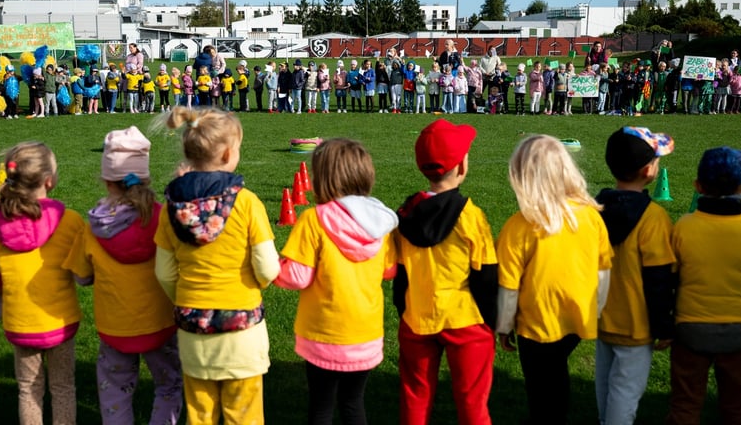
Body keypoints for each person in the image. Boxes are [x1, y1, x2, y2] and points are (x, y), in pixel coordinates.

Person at [154, 107, 280, 424]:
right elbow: (267, 268)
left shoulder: (170, 208)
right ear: (226, 154)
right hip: (242, 329)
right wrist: (254, 285)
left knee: (200, 414)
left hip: (193, 330)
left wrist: (186, 298)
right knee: (244, 415)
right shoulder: (248, 203)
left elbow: (164, 273)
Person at [275, 138, 398, 425]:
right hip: (365, 334)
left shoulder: (314, 220)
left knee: (321, 407)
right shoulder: (380, 223)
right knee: (353, 404)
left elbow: (297, 276)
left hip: (323, 334)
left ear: (323, 179)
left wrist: (271, 264)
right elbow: (389, 269)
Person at [496, 134, 612, 425]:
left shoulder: (519, 226)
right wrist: (596, 309)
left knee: (540, 385)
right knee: (556, 371)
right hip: (577, 317)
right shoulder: (590, 216)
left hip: (536, 322)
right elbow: (603, 270)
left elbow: (509, 286)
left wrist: (503, 326)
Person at [394, 119, 498, 424]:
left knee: (415, 397)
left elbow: (400, 275)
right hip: (466, 321)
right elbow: (486, 275)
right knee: (472, 402)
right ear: (463, 166)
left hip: (416, 316)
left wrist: (403, 309)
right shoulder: (471, 216)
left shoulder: (405, 213)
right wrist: (493, 321)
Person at [0, 141, 92, 425]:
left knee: (28, 389)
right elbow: (84, 274)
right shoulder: (70, 221)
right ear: (49, 180)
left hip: (20, 321)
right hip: (60, 319)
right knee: (63, 387)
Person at [83, 126, 183, 424]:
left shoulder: (91, 226)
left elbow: (82, 276)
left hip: (114, 326)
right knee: (170, 386)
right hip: (160, 323)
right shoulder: (163, 216)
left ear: (105, 179)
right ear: (146, 176)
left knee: (114, 393)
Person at [666, 147, 741, 425]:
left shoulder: (684, 227)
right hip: (740, 329)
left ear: (697, 186)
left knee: (685, 405)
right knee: (737, 406)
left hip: (690, 328)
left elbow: (673, 275)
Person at [595, 127, 677, 425]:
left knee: (604, 385)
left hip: (602, 316)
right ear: (648, 170)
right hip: (637, 324)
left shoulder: (595, 208)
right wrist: (664, 325)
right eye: (656, 160)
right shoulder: (654, 218)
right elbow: (658, 278)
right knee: (625, 392)